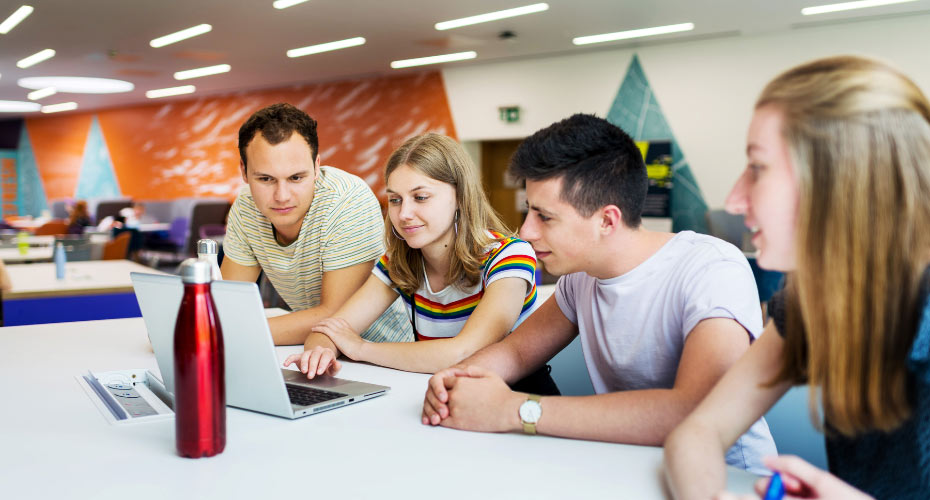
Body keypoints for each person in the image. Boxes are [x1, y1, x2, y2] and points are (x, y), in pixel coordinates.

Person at [420, 114, 776, 473]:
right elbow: (516, 352)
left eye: (545, 217)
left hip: (727, 478)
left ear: (607, 220)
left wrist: (514, 410)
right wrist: (456, 380)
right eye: (529, 211)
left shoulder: (711, 268)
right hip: (630, 468)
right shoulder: (581, 276)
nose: (526, 231)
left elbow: (694, 410)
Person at [663, 55, 930, 499]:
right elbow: (699, 431)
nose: (734, 200)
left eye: (757, 167)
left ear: (841, 179)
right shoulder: (814, 299)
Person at [283, 133, 554, 391]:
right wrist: (321, 352)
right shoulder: (399, 261)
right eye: (395, 200)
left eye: (420, 197)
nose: (404, 214)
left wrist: (360, 348)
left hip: (517, 399)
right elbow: (330, 330)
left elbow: (464, 352)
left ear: (460, 197)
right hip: (443, 395)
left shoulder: (509, 255)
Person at [221, 103, 410, 345]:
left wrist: (229, 331)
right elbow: (228, 304)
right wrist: (224, 326)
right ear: (244, 171)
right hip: (314, 349)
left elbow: (336, 318)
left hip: (387, 350)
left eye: (296, 177)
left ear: (316, 166)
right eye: (266, 179)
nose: (282, 196)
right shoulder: (246, 207)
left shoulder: (347, 200)